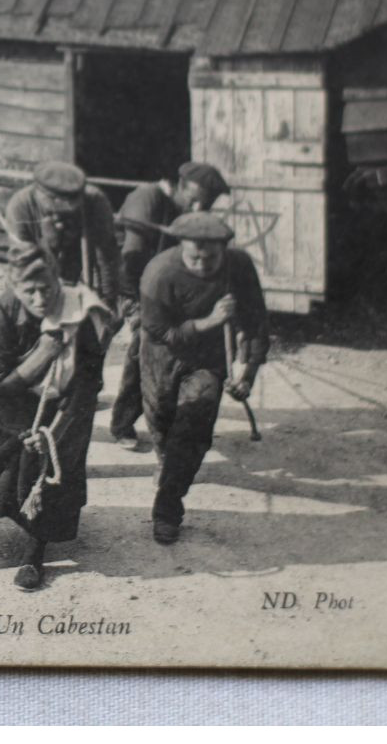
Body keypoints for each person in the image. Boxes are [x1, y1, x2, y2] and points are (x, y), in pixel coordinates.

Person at [0, 241, 115, 590]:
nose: (40, 299)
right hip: (16, 398)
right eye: (30, 291)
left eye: (47, 289)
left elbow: (90, 375)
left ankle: (33, 551)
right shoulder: (2, 310)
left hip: (68, 400)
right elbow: (1, 384)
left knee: (55, 472)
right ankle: (10, 491)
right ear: (15, 286)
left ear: (59, 281)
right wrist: (42, 354)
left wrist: (63, 422)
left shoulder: (83, 310)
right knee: (19, 459)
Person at [137, 212, 269, 544]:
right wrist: (210, 321)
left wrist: (247, 374)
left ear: (224, 249)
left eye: (211, 257)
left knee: (193, 428)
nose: (203, 264)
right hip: (162, 355)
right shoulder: (159, 273)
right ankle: (167, 462)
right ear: (181, 245)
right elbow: (159, 330)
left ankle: (167, 508)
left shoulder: (238, 266)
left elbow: (256, 324)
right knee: (161, 422)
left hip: (208, 361)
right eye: (195, 256)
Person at [110, 162, 230, 449]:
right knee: (133, 346)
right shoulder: (148, 198)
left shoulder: (187, 214)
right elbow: (131, 257)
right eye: (194, 198)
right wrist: (135, 307)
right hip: (118, 280)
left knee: (151, 348)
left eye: (207, 202)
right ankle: (118, 421)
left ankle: (131, 419)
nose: (199, 206)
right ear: (178, 185)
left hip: (151, 286)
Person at [4, 161, 123, 312]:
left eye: (67, 215)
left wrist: (109, 300)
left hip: (75, 263)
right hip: (33, 274)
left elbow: (107, 256)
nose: (59, 222)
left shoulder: (96, 202)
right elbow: (25, 264)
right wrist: (49, 242)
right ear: (42, 197)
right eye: (51, 212)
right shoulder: (20, 206)